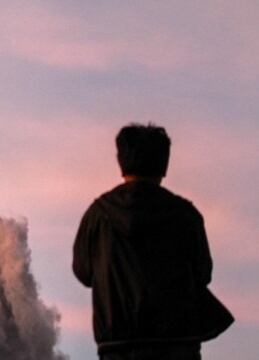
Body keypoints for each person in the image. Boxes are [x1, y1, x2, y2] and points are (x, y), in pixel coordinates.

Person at [73, 123, 232, 360]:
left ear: (121, 163)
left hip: (117, 349)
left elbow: (83, 272)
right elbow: (203, 274)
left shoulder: (98, 215)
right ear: (164, 165)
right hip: (178, 348)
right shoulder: (186, 215)